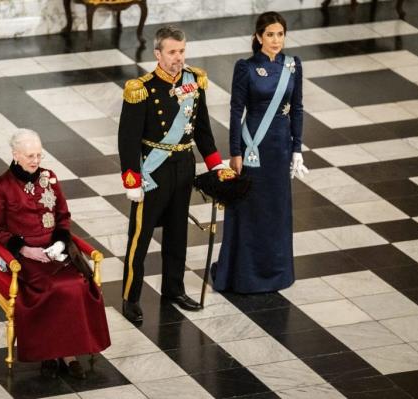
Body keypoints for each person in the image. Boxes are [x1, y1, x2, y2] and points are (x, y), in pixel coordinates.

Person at [118, 25, 227, 323]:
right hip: (153, 169)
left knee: (178, 233)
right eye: (171, 52)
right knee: (140, 237)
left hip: (183, 166)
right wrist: (132, 180)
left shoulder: (195, 81)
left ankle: (174, 289)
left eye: (181, 51)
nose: (178, 58)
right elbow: (127, 139)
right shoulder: (142, 88)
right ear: (158, 54)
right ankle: (131, 297)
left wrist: (215, 163)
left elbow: (202, 128)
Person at [0, 129, 110, 378]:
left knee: (77, 283)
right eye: (30, 156)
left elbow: (63, 216)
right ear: (15, 155)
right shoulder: (2, 186)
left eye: (39, 155)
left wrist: (61, 241)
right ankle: (49, 353)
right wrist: (25, 250)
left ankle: (68, 353)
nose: (36, 161)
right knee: (53, 288)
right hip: (26, 256)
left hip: (55, 250)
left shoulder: (50, 177)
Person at [211, 11, 308, 294]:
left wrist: (297, 148)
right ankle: (243, 274)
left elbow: (298, 108)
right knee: (250, 210)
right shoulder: (246, 67)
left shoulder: (293, 66)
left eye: (280, 34)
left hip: (280, 149)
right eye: (269, 34)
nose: (275, 40)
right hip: (253, 147)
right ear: (258, 37)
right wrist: (235, 152)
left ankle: (276, 273)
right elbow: (235, 110)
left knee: (276, 210)